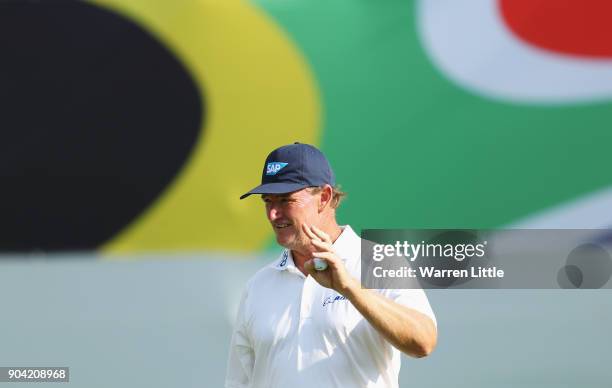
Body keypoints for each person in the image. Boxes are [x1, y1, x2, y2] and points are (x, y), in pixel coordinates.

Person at [225, 142, 437, 388]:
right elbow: (238, 382)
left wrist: (350, 288)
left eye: (285, 200)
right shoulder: (258, 285)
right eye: (268, 201)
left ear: (324, 198)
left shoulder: (379, 261)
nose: (273, 213)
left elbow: (423, 341)